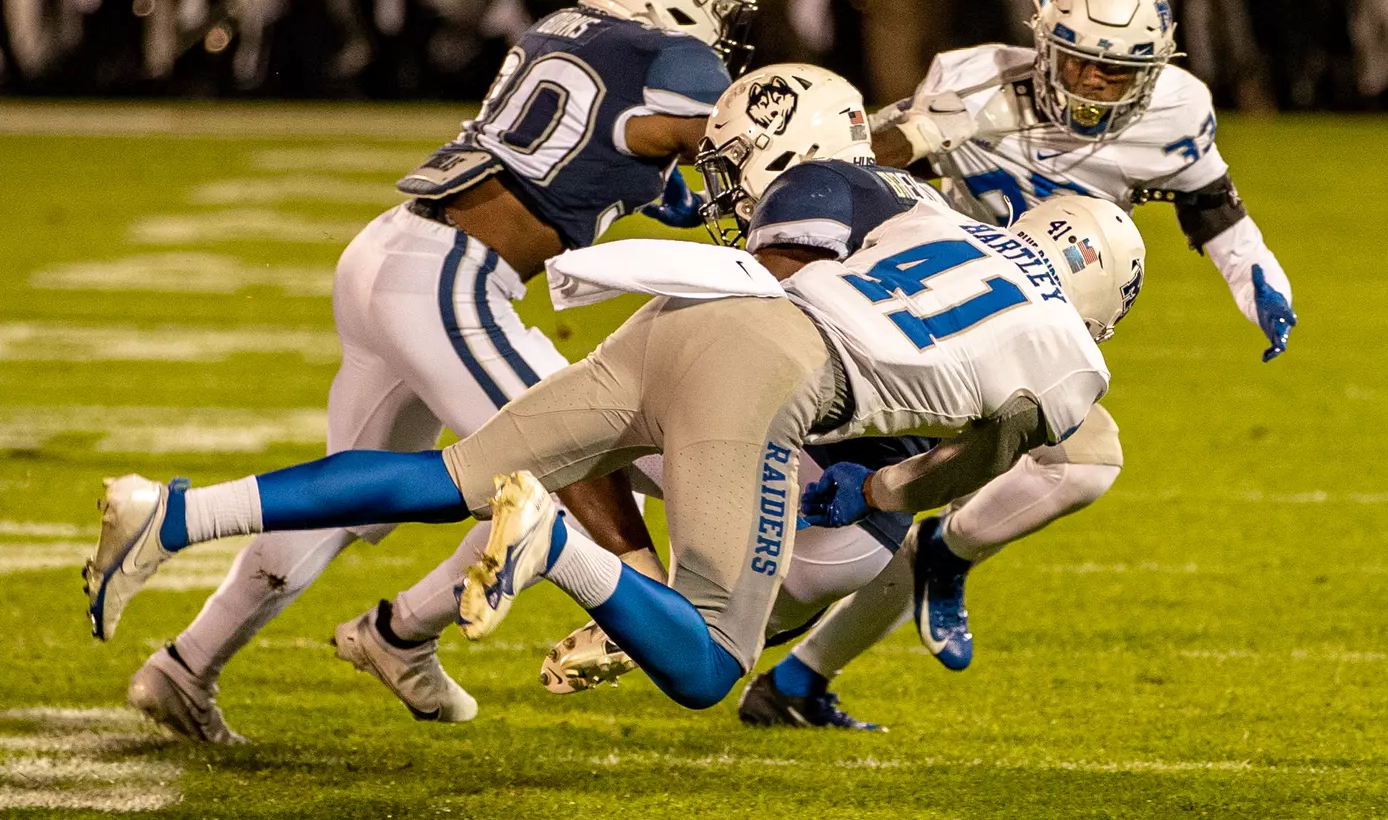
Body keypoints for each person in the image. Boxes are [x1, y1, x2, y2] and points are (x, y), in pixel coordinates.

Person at [86, 63, 1144, 714]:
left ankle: (174, 511)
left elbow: (819, 231)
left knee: (445, 473)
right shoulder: (1073, 360)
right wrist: (876, 494)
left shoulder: (930, 210)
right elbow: (980, 455)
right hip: (771, 371)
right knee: (709, 661)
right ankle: (557, 548)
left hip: (680, 319)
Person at [99, 0, 757, 744]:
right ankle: (184, 521)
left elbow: (605, 147)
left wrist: (674, 197)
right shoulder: (675, 58)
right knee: (565, 447)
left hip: (393, 252)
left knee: (349, 496)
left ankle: (191, 666)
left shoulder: (566, 28)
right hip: (453, 279)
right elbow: (737, 138)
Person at [746, 0, 1297, 728]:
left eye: (1116, 72)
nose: (1094, 86)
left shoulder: (1177, 109)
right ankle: (696, 630)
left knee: (1047, 478)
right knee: (912, 506)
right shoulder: (971, 81)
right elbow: (858, 159)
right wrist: (927, 130)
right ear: (1043, 43)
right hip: (931, 320)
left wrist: (1258, 277)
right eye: (1080, 64)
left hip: (1036, 328)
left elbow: (1207, 201)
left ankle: (798, 673)